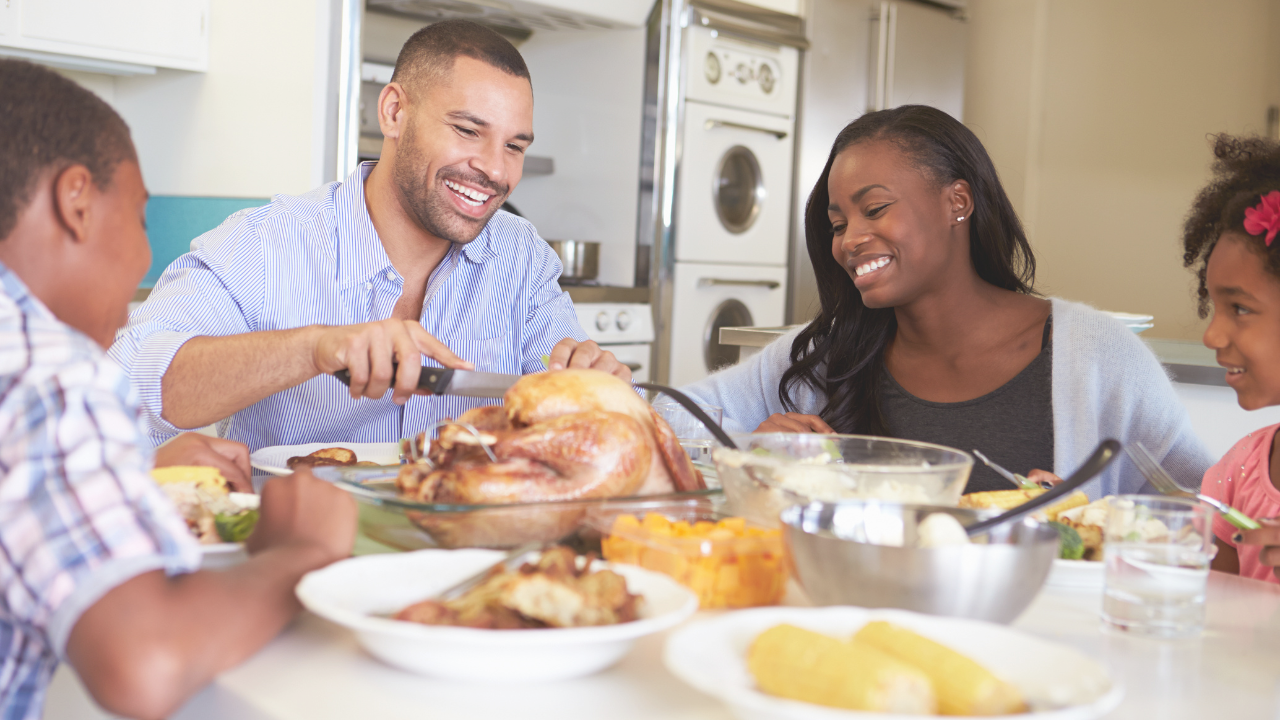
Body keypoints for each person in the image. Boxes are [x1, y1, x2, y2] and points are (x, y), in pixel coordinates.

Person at [0, 59, 357, 719]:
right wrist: (302, 552)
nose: (143, 255)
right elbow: (146, 663)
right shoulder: (55, 371)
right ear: (76, 199)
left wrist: (133, 471)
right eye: (138, 218)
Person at [109, 20, 622, 452]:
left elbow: (580, 417)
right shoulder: (267, 246)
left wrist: (596, 387)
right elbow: (123, 387)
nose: (494, 170)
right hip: (304, 556)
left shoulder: (521, 257)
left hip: (473, 556)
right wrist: (314, 348)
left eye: (514, 146)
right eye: (468, 131)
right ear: (395, 112)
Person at [681, 105, 1211, 496]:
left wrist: (1090, 523)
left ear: (957, 201)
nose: (849, 240)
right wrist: (746, 446)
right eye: (838, 223)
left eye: (875, 209)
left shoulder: (1098, 357)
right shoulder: (829, 353)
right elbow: (668, 419)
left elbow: (1204, 517)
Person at [1186, 136, 1280, 583]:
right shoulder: (1240, 470)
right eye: (1215, 306)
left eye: (1239, 308)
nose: (1212, 334)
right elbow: (1217, 616)